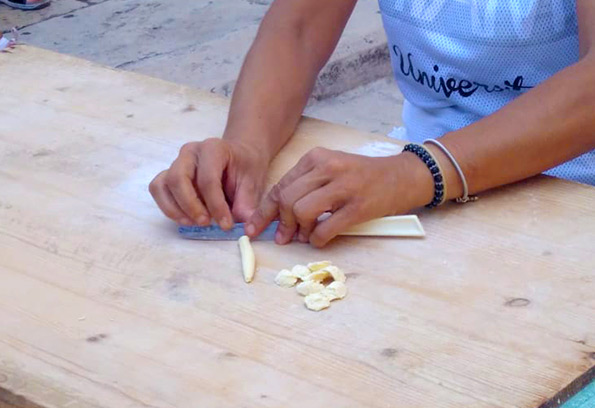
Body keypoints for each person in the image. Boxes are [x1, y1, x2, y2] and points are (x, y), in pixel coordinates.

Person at [149, 0, 595, 248]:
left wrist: (416, 172)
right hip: (419, 182)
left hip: (574, 196)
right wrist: (247, 144)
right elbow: (299, 28)